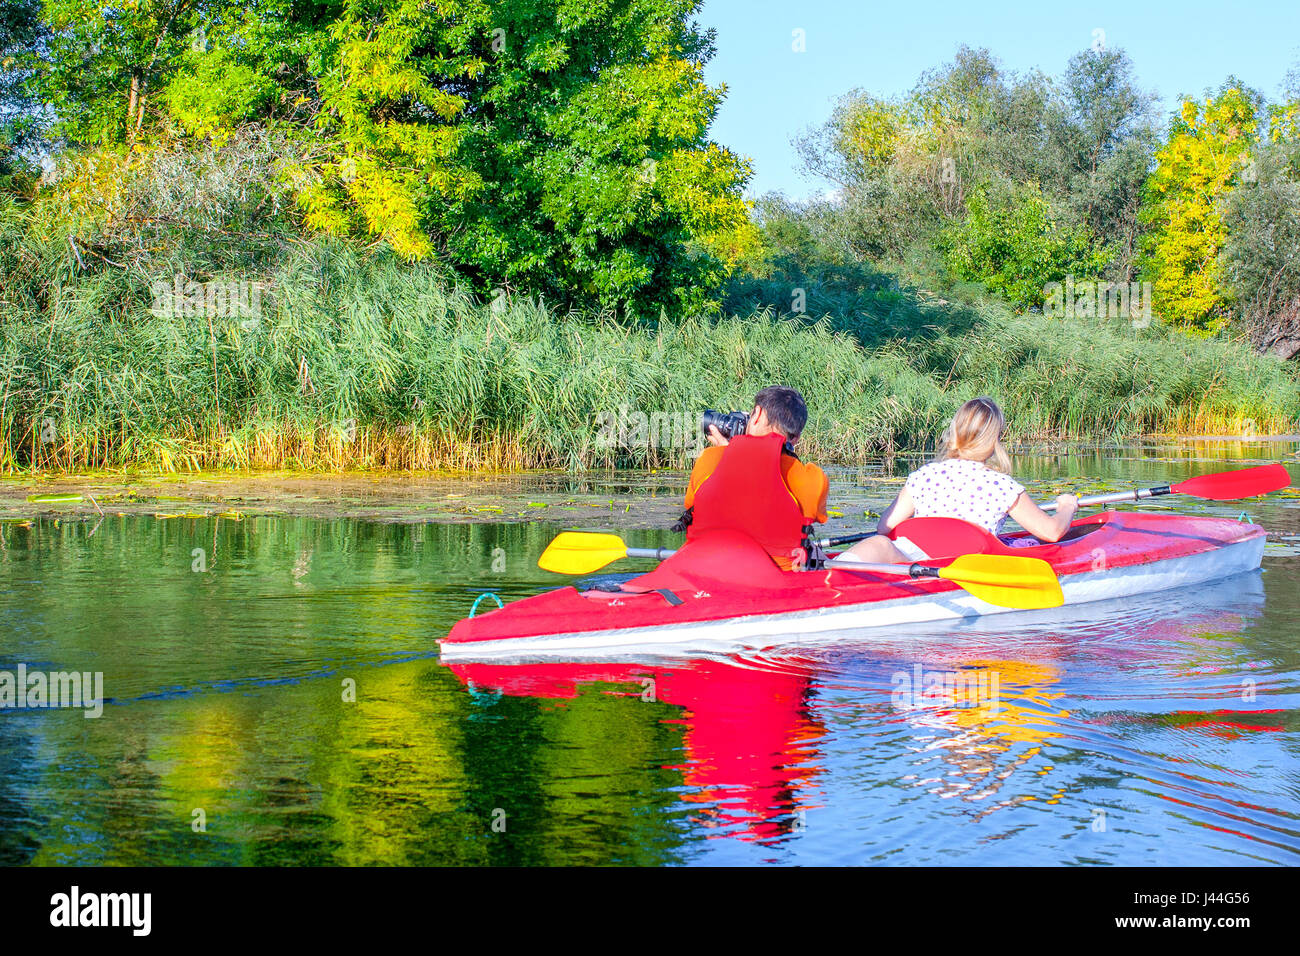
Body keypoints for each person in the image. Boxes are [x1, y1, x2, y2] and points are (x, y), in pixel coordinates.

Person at [842, 397, 1079, 564]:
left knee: (879, 545)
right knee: (881, 547)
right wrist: (1067, 507)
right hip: (953, 566)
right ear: (995, 439)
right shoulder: (1002, 486)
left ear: (956, 431)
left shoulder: (924, 475)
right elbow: (1052, 532)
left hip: (914, 557)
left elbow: (884, 528)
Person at [682, 385, 828, 570]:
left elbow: (692, 507)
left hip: (707, 569)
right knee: (815, 551)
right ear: (796, 438)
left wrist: (725, 452)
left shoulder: (708, 459)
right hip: (773, 577)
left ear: (757, 414)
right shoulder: (812, 478)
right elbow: (813, 514)